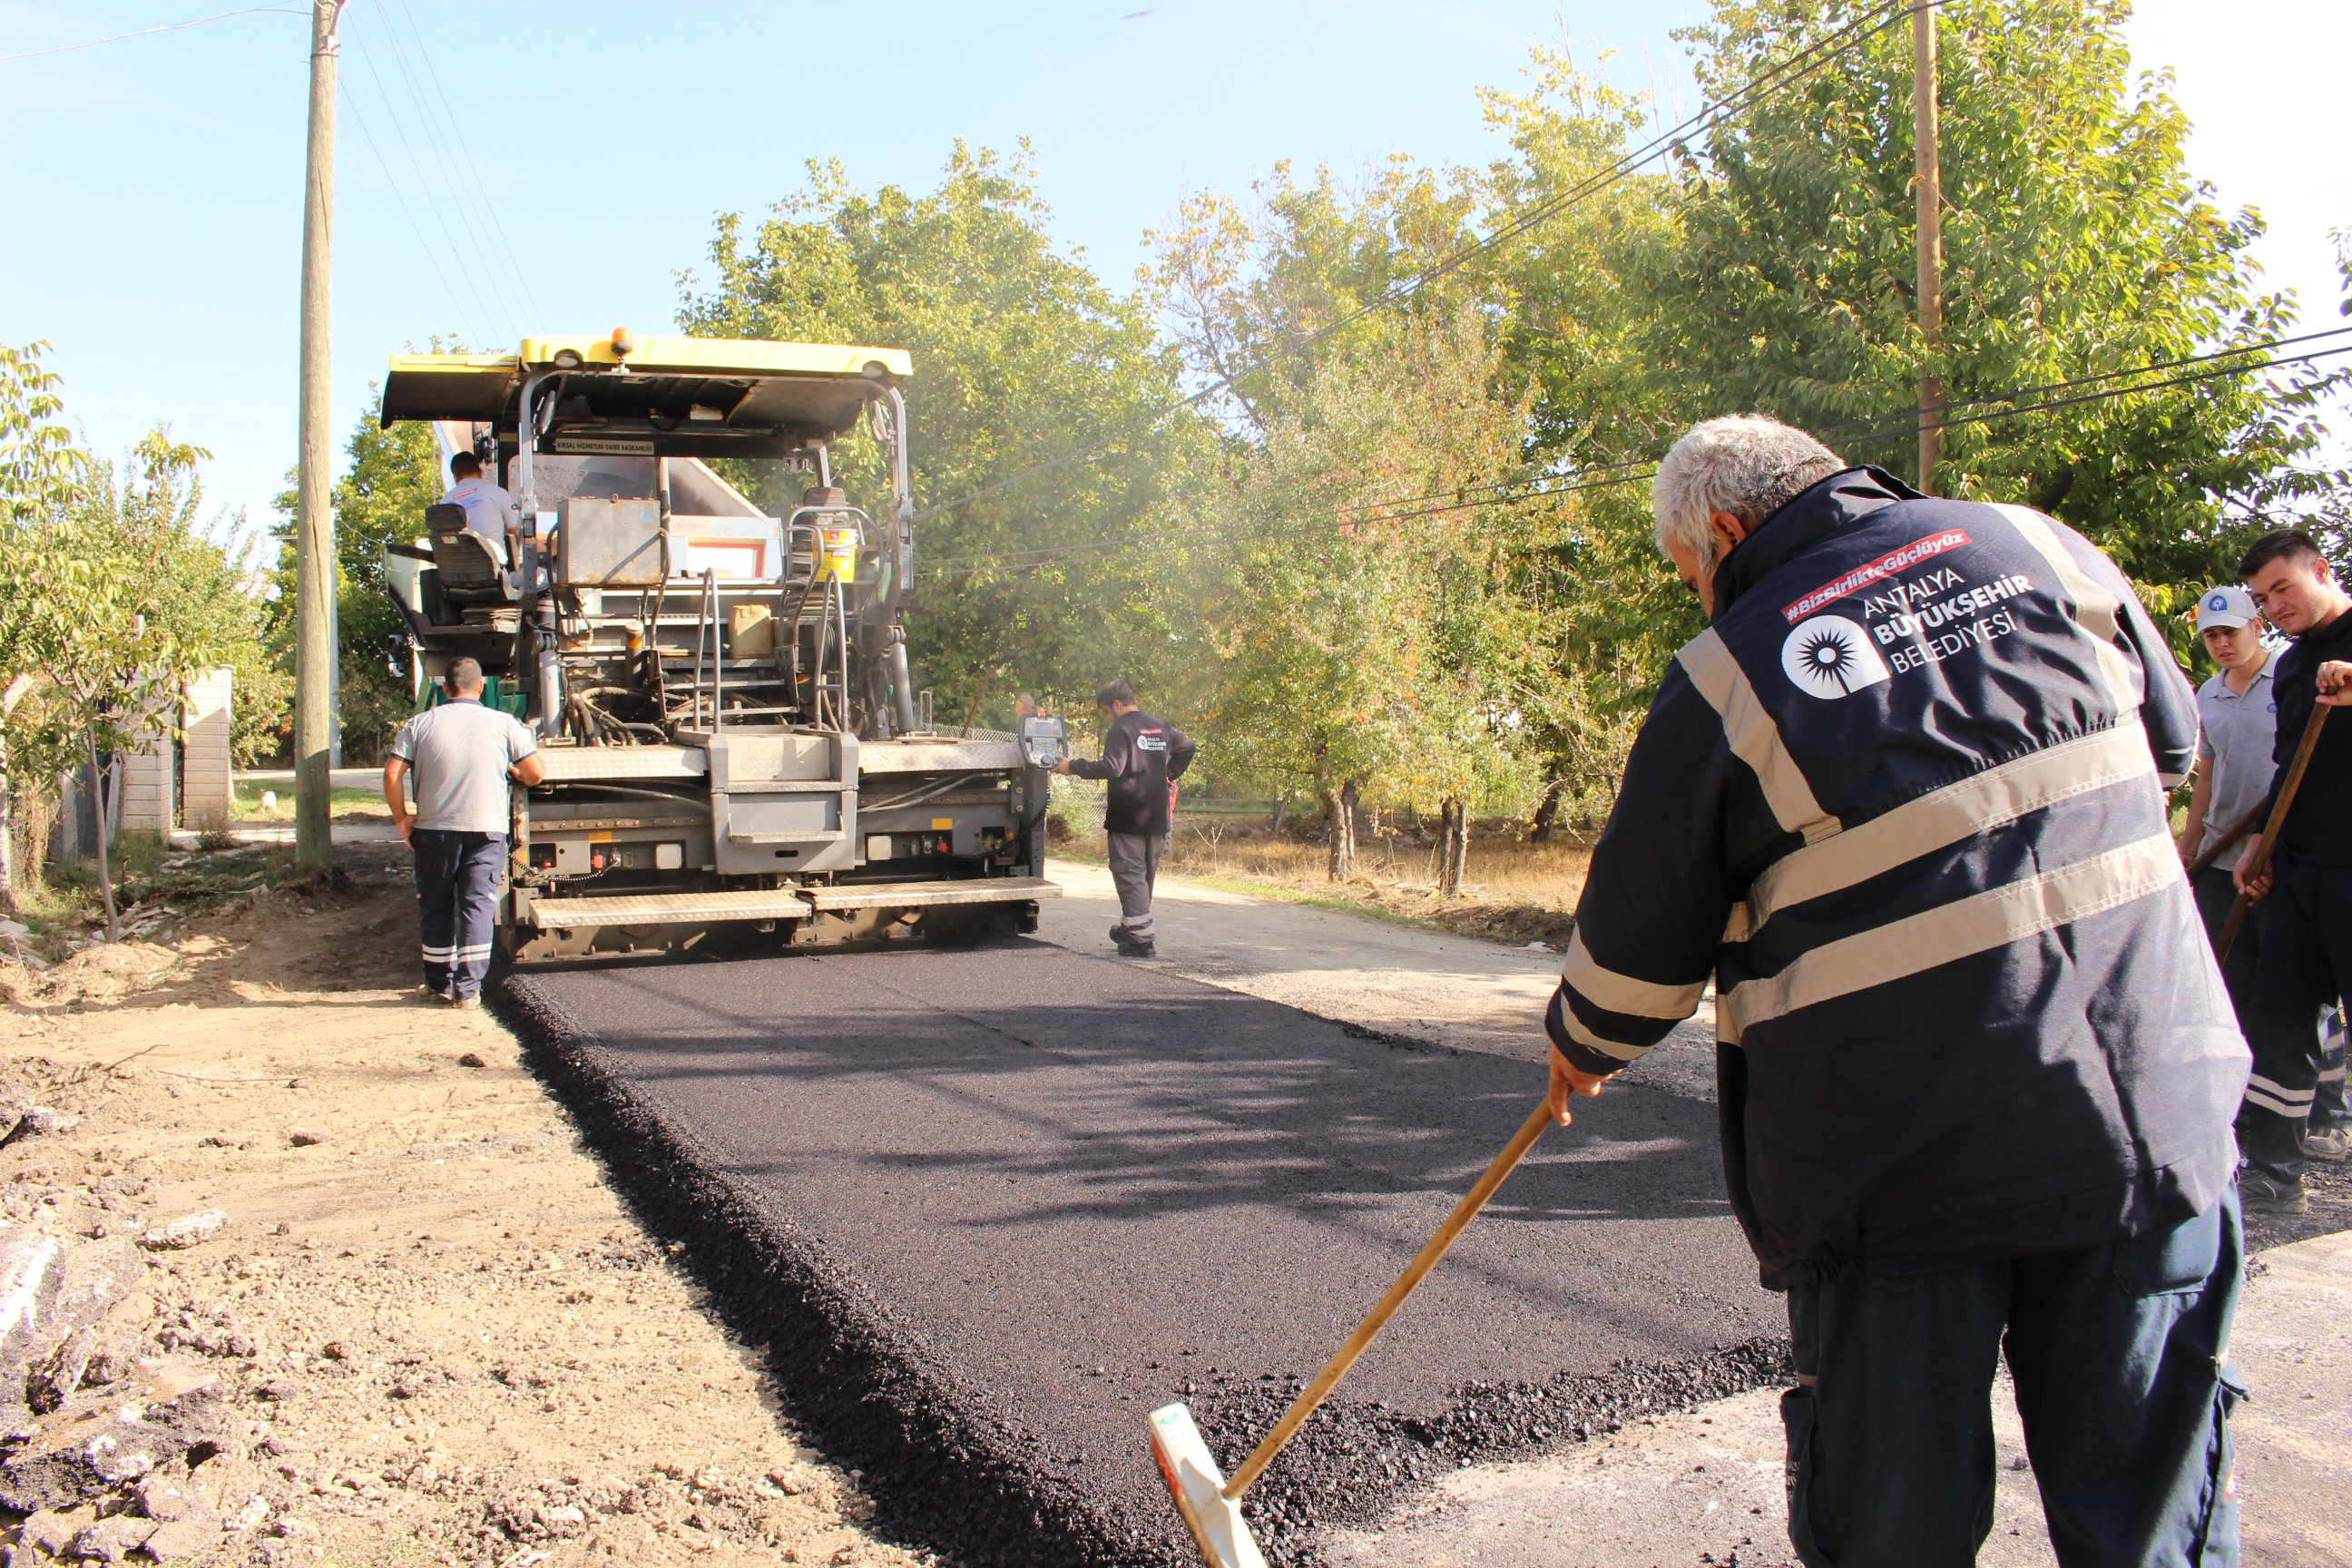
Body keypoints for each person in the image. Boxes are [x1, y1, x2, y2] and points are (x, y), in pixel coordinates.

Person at [1544, 416, 2245, 1567]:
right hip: (2147, 1111)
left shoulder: (1733, 667)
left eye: (1689, 575)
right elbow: (2164, 758)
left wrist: (1583, 1042)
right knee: (2152, 1526)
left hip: (1899, 1177)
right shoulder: (2043, 547)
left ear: (1723, 534)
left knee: (1890, 1532)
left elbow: (1632, 964)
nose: (1697, 598)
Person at [2232, 530, 2352, 1202]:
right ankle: (2275, 1172)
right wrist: (2259, 845)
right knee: (2280, 1017)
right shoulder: (2293, 665)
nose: (2275, 605)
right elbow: (2285, 769)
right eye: (2262, 597)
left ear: (2322, 571)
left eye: (2283, 587)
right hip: (2300, 869)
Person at [384, 658, 545, 1007]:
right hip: (486, 832)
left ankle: (438, 983)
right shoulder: (504, 723)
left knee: (436, 906)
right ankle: (468, 991)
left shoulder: (419, 724)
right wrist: (516, 773)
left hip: (434, 831)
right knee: (477, 906)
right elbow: (535, 773)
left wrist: (401, 818)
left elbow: (392, 773)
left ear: (445, 689)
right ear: (481, 687)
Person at [2176, 584, 2276, 1027]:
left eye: (2231, 632)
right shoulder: (2206, 695)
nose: (2222, 643)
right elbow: (2208, 778)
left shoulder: (2293, 675)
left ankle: (2326, 1095)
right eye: (2211, 635)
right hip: (2222, 859)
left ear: (2256, 626)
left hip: (2281, 857)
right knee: (2229, 979)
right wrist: (2191, 845)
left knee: (2292, 983)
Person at [1053, 681, 1193, 958]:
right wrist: (1168, 774)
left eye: (1106, 711)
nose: (1107, 718)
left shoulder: (1122, 729)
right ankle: (1131, 928)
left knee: (1129, 876)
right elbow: (1187, 748)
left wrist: (1072, 766)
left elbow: (1113, 767)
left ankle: (1142, 941)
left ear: (1117, 705)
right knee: (1142, 878)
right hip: (1157, 817)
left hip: (1129, 816)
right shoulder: (1160, 726)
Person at [439, 452, 520, 565]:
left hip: (458, 570)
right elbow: (514, 532)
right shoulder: (498, 493)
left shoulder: (444, 503)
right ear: (481, 472)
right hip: (494, 567)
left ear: (455, 477)